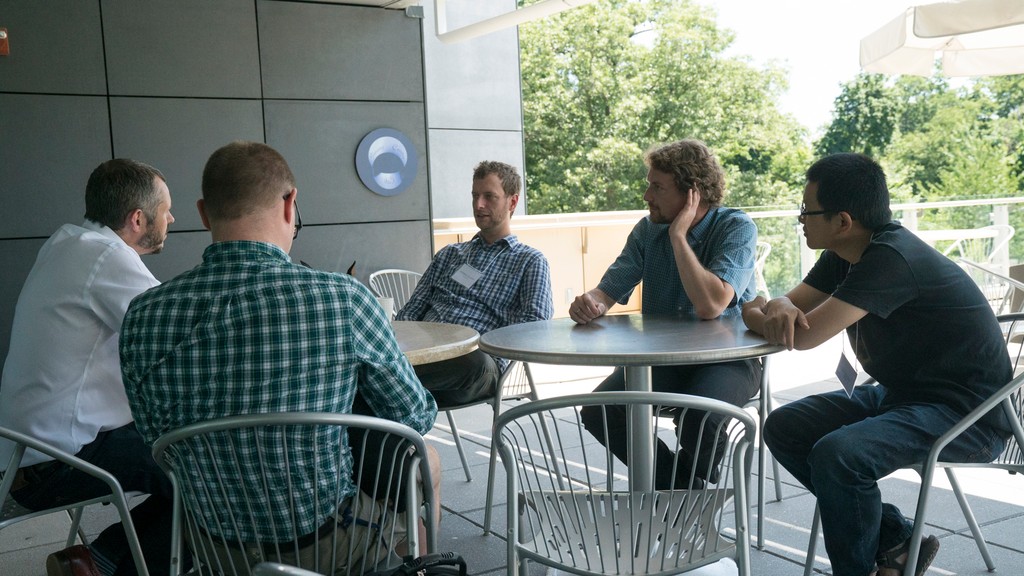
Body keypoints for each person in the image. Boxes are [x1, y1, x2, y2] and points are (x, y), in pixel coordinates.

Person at [118, 141, 439, 574]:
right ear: (290, 204)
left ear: (204, 213)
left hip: (215, 548)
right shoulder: (343, 299)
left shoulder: (144, 314)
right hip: (327, 543)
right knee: (427, 461)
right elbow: (414, 415)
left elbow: (154, 436)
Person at [742, 153, 1012, 576]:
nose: (800, 220)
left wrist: (764, 309)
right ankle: (897, 538)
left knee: (839, 455)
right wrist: (776, 305)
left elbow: (802, 335)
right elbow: (779, 308)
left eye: (806, 211)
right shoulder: (845, 254)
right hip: (904, 397)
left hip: (969, 417)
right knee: (784, 426)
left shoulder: (890, 259)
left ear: (843, 221)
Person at [0, 159, 176, 576]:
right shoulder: (106, 257)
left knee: (185, 459)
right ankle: (107, 565)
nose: (171, 218)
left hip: (24, 455)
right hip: (56, 463)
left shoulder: (68, 242)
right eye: (166, 209)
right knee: (210, 472)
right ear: (138, 218)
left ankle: (95, 561)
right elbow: (174, 336)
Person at [571, 138, 760, 490]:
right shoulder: (647, 230)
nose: (647, 196)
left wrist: (678, 237)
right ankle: (683, 489)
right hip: (663, 360)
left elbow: (711, 305)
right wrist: (591, 302)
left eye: (657, 187)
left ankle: (682, 492)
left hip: (728, 359)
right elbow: (607, 291)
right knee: (599, 410)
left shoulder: (736, 227)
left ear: (692, 194)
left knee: (699, 416)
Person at [395, 160, 553, 408]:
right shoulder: (450, 254)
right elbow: (410, 313)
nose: (479, 205)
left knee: (471, 360)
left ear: (512, 202)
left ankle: (386, 378)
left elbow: (535, 328)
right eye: (475, 196)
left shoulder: (529, 261)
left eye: (489, 196)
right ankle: (388, 387)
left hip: (478, 364)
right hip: (425, 356)